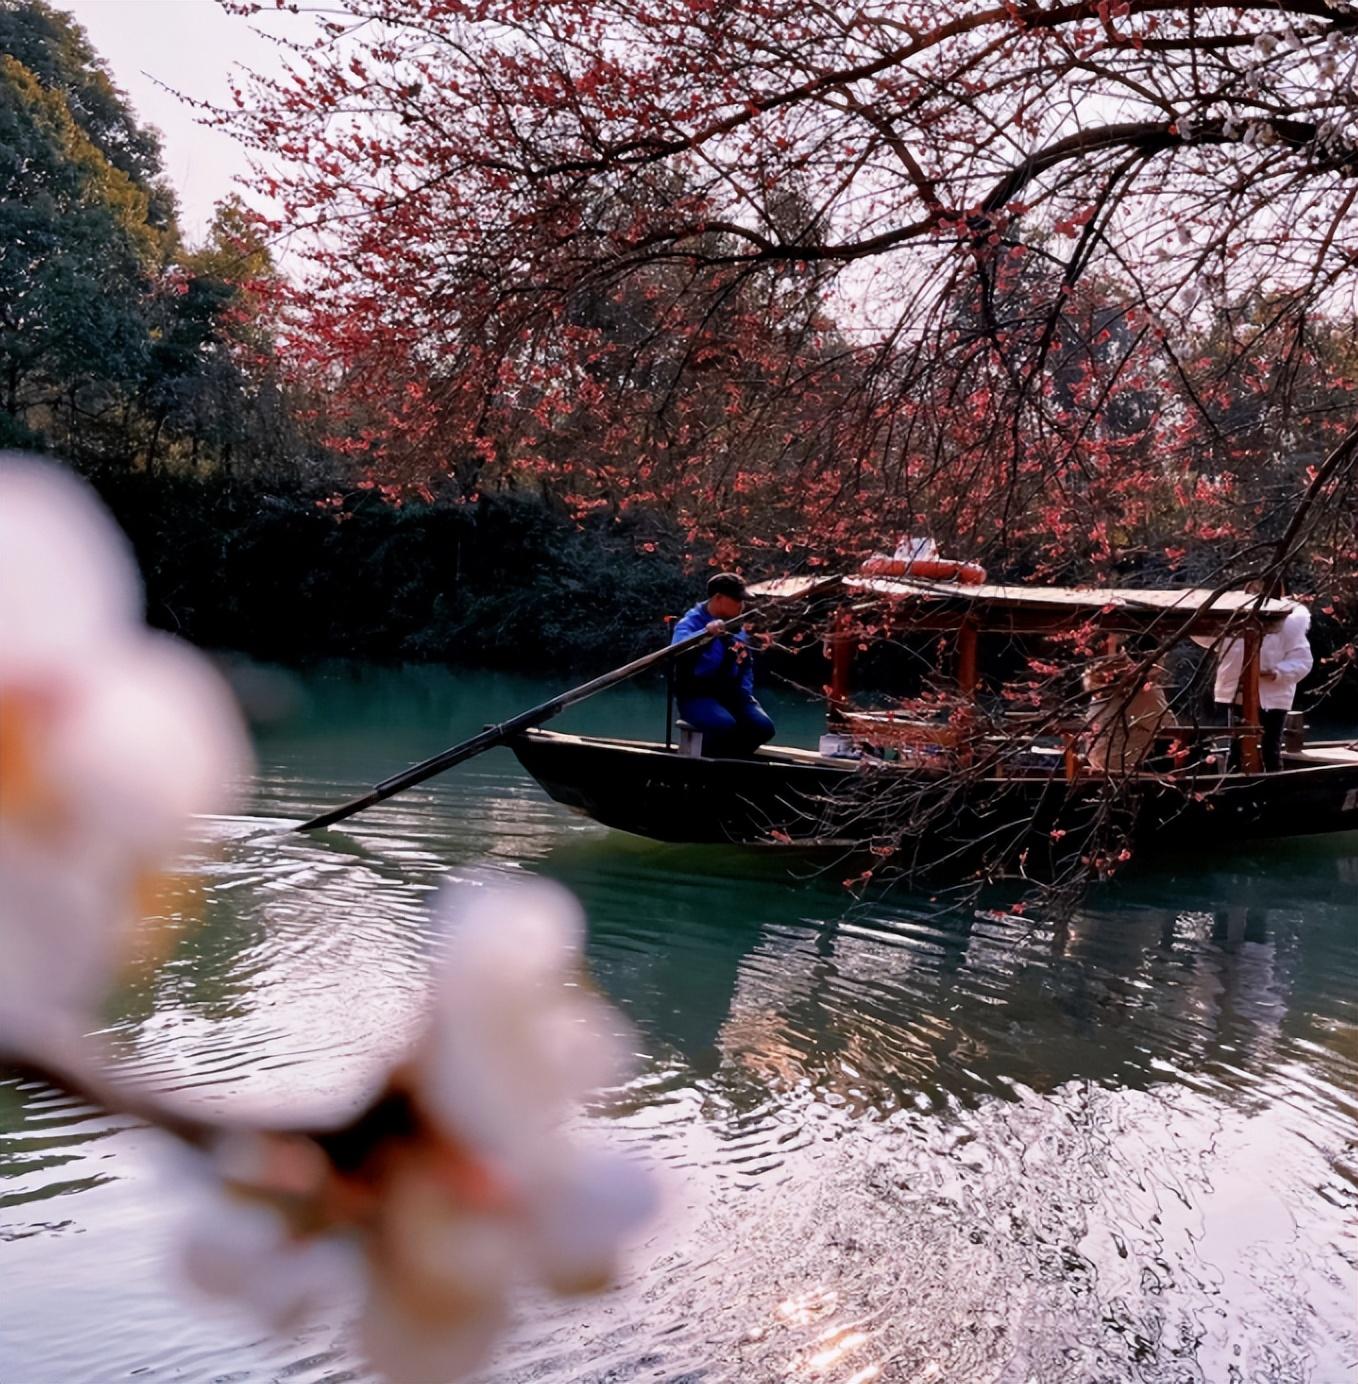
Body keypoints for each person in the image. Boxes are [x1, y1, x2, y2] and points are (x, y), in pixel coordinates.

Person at [1195, 587, 1312, 772]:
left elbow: (1303, 661)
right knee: (1237, 743)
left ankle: (1272, 785)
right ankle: (1233, 784)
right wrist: (1197, 618)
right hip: (1239, 691)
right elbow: (1207, 637)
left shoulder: (1289, 624)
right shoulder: (1235, 620)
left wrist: (1276, 673)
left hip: (1273, 695)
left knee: (1270, 745)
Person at [670, 573, 776, 756]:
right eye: (736, 599)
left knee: (763, 727)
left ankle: (734, 759)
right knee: (723, 724)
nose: (741, 605)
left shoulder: (737, 627)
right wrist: (705, 635)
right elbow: (678, 649)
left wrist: (744, 693)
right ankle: (709, 761)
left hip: (733, 694)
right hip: (697, 695)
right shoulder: (690, 623)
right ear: (718, 598)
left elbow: (746, 665)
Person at [1082, 649, 1170, 774]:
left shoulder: (1099, 696)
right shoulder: (1144, 693)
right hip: (1124, 761)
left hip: (1105, 760)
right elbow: (1170, 725)